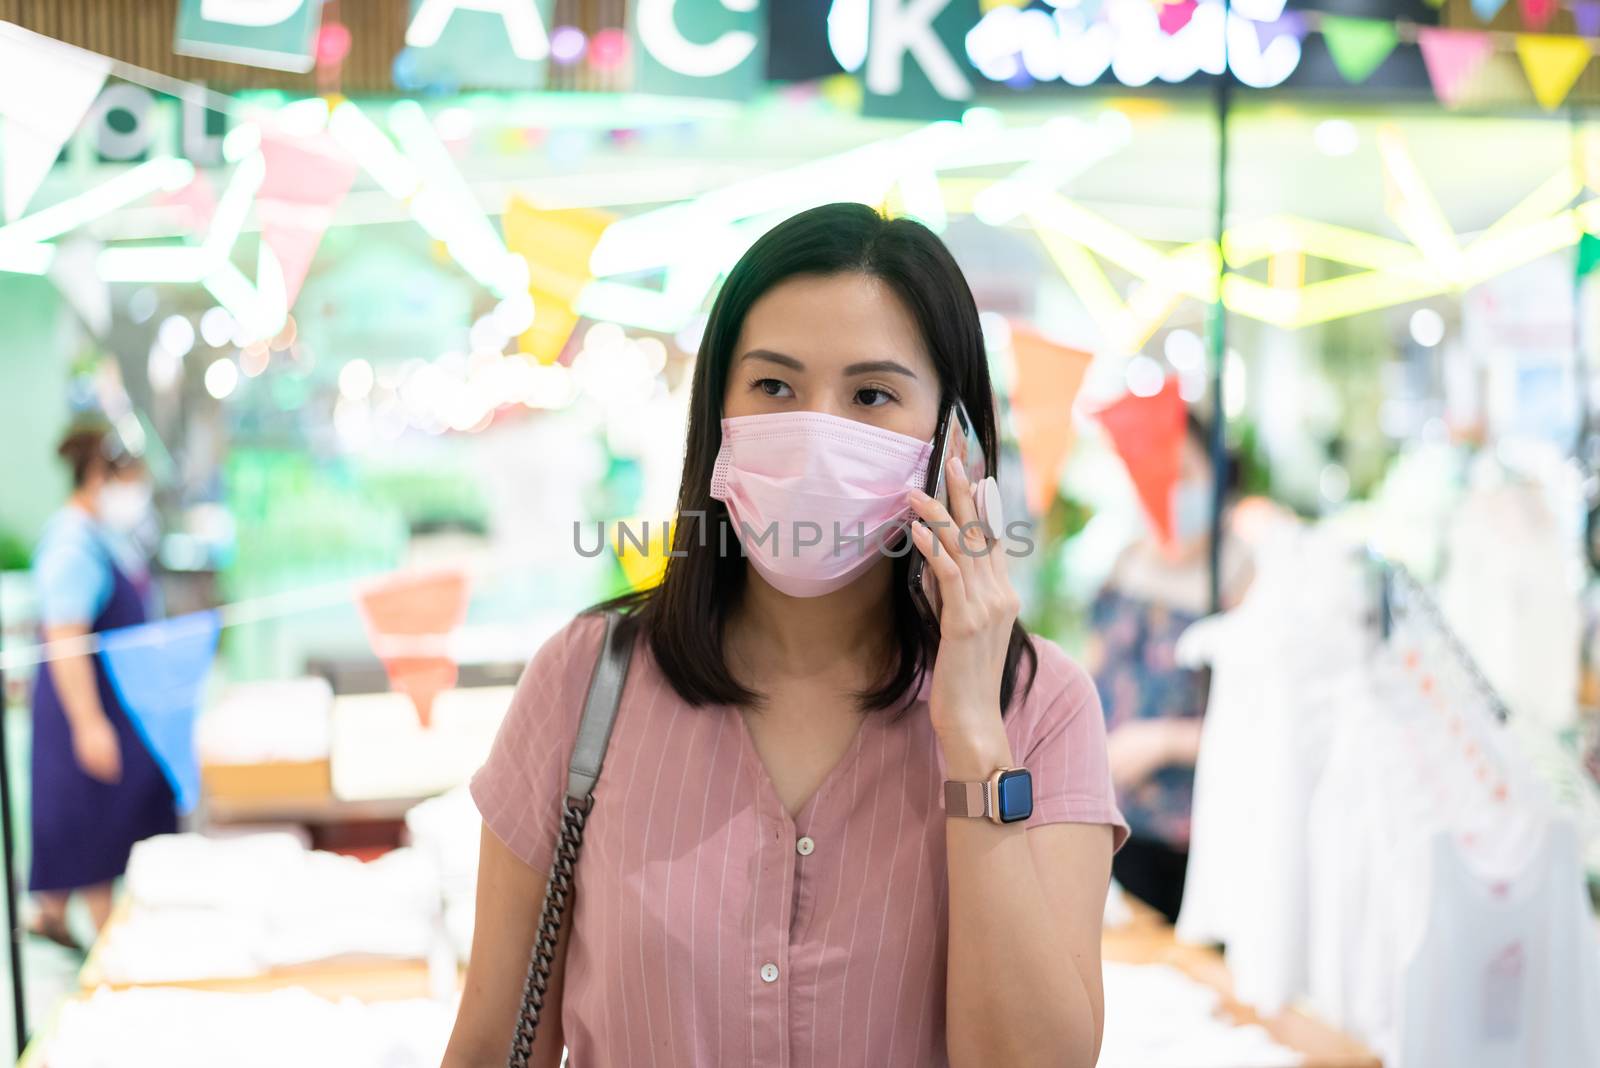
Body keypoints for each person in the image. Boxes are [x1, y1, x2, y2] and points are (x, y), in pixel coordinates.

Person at [444, 203, 1127, 1068]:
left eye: (872, 394)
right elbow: (488, 1044)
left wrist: (974, 739)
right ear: (717, 412)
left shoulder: (1039, 705)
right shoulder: (586, 679)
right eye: (774, 386)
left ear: (954, 442)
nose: (815, 431)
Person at [1084, 412, 1250, 924]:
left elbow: (1263, 724)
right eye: (1157, 474)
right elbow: (1094, 670)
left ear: (1219, 473)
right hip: (1110, 822)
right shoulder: (1128, 560)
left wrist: (1160, 742)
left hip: (1195, 837)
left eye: (1186, 473)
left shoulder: (1243, 576)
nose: (1172, 489)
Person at [28, 422, 174, 951]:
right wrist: (89, 723)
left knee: (92, 824)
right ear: (98, 475)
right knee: (93, 829)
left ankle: (53, 915)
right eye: (130, 476)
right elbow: (64, 636)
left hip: (117, 702)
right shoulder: (71, 542)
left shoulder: (102, 534)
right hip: (84, 706)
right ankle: (115, 949)